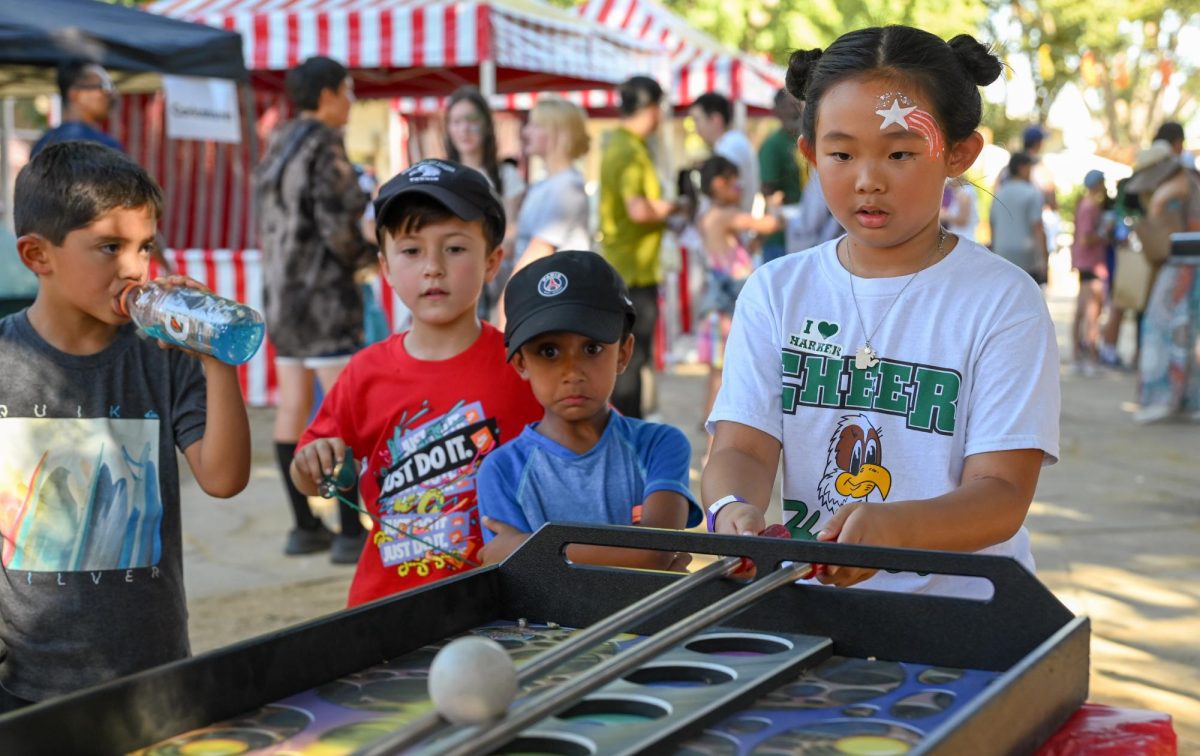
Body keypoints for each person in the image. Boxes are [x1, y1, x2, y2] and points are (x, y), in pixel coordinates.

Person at [701, 25, 1059, 598]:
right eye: (841, 153)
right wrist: (731, 510)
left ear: (959, 154)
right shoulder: (775, 292)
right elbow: (741, 448)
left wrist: (891, 528)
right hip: (811, 610)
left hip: (964, 618)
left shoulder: (1001, 301)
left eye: (900, 153)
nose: (868, 180)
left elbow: (1000, 494)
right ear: (810, 154)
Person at [0, 142, 251, 710]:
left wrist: (215, 358)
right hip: (25, 683)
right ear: (38, 255)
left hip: (152, 673)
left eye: (145, 247)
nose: (135, 269)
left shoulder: (161, 356)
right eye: (109, 247)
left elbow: (224, 477)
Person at [289, 159, 542, 606]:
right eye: (411, 251)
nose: (432, 268)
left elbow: (599, 439)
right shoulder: (365, 372)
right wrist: (312, 462)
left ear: (492, 261)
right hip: (385, 607)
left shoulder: (525, 367)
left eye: (455, 248)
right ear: (385, 266)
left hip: (504, 606)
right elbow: (309, 478)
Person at [477, 251, 701, 569]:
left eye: (592, 348)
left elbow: (654, 552)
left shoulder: (659, 445)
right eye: (549, 351)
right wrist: (631, 556)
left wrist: (525, 547)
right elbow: (515, 585)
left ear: (623, 353)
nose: (572, 371)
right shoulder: (501, 471)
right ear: (521, 362)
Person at [254, 56, 374, 563]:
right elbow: (341, 228)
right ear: (326, 94)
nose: (351, 100)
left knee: (292, 408)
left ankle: (305, 527)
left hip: (282, 296)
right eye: (347, 90)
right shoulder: (325, 144)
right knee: (341, 408)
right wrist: (374, 256)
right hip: (323, 297)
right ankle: (350, 532)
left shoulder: (278, 140)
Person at [599, 75, 684, 419]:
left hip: (629, 266)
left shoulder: (621, 145)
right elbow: (639, 209)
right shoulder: (629, 150)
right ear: (650, 109)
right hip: (632, 271)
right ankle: (627, 435)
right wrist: (676, 206)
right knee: (630, 362)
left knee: (630, 360)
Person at [696, 156, 783, 419]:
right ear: (719, 183)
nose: (741, 187)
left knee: (717, 372)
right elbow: (770, 224)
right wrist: (774, 206)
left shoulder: (708, 216)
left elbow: (744, 248)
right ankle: (714, 436)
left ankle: (709, 427)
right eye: (735, 182)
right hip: (726, 306)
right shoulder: (726, 215)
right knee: (723, 374)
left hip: (715, 304)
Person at [444, 86, 526, 318]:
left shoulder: (507, 177)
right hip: (447, 282)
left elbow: (510, 235)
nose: (464, 130)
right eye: (457, 121)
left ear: (486, 125)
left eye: (472, 120)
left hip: (492, 285)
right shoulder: (440, 175)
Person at [510, 98, 592, 276]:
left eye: (536, 125)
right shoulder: (547, 183)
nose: (526, 131)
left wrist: (505, 301)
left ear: (560, 133)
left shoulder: (566, 187)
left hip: (548, 294)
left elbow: (538, 251)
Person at [31, 61, 123, 157]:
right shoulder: (103, 146)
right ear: (75, 94)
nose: (112, 95)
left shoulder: (43, 143)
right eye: (104, 87)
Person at [690, 92, 761, 213]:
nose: (696, 128)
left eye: (697, 120)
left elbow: (725, 193)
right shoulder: (730, 143)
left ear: (716, 119)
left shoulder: (730, 146)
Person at [757, 89, 805, 263]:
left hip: (806, 234)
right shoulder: (773, 145)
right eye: (788, 106)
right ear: (776, 111)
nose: (794, 111)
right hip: (781, 238)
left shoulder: (808, 140)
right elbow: (769, 192)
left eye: (797, 104)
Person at [1070, 170, 1110, 374]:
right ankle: (1090, 358)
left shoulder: (1084, 205)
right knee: (1091, 313)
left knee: (1083, 312)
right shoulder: (1090, 206)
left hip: (1086, 263)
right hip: (1092, 264)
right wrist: (1105, 236)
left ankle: (1080, 355)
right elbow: (1086, 238)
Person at [990, 152, 1048, 283]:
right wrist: (1044, 258)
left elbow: (993, 224)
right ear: (1022, 168)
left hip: (1001, 253)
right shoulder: (1032, 193)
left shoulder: (999, 193)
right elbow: (1037, 227)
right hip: (1026, 257)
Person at [940, 177, 979, 242]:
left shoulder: (964, 192)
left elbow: (962, 220)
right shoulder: (959, 192)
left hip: (964, 239)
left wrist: (944, 216)